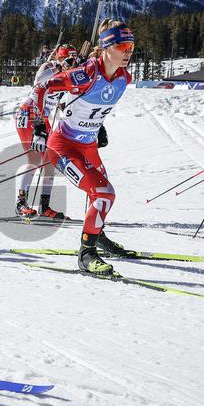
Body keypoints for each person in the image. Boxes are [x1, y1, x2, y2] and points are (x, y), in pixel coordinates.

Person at [39, 20, 134, 274]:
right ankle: (86, 254)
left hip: (88, 145)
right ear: (107, 47)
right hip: (62, 147)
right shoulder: (88, 73)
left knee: (100, 195)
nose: (128, 52)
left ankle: (97, 236)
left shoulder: (124, 78)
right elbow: (46, 86)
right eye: (122, 46)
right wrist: (40, 124)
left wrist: (98, 128)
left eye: (131, 46)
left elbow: (94, 107)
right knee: (104, 193)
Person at [13, 48, 75, 219]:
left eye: (73, 59)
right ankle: (21, 203)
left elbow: (59, 99)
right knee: (34, 160)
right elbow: (39, 80)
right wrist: (59, 67)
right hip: (30, 114)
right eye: (68, 58)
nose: (71, 63)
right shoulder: (49, 66)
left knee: (49, 162)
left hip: (44, 117)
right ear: (60, 57)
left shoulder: (67, 76)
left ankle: (44, 206)